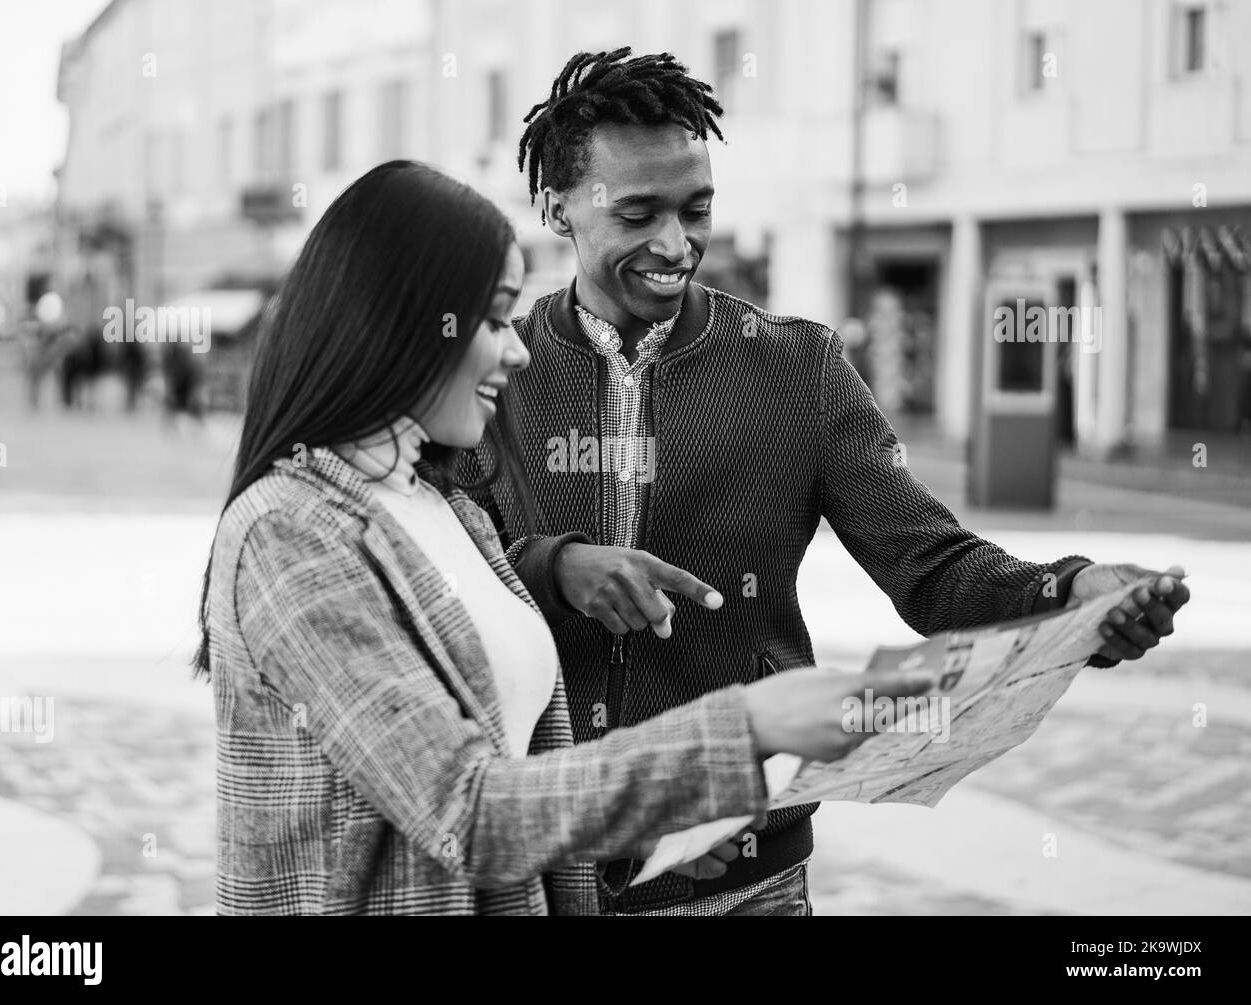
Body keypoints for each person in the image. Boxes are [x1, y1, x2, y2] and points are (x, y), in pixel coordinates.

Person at [456, 48, 1191, 916]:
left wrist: (1070, 594)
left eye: (696, 210)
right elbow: (442, 578)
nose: (675, 244)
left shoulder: (797, 367)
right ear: (556, 208)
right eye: (638, 213)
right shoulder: (497, 365)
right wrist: (555, 565)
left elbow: (930, 564)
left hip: (748, 876)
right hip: (552, 872)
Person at [193, 160, 933, 916]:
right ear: (395, 325)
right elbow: (465, 807)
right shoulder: (292, 531)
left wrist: (633, 836)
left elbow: (513, 770)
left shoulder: (441, 507)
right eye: (489, 321)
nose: (513, 350)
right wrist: (747, 726)